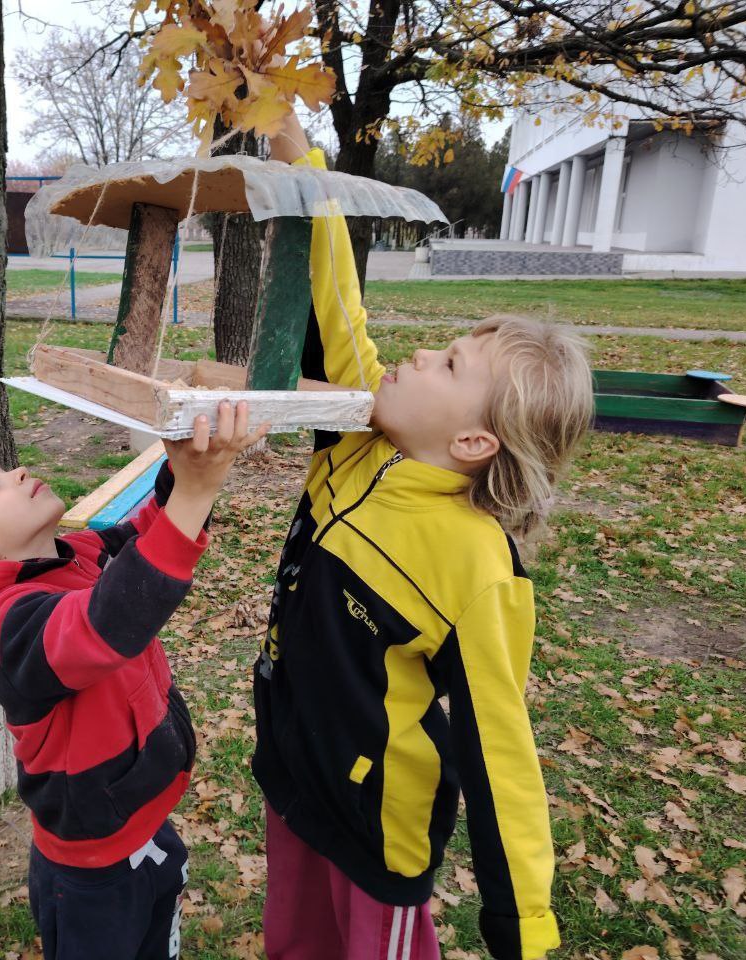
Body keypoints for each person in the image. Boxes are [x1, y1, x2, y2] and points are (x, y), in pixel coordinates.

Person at [253, 111, 594, 960]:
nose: (413, 360)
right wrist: (307, 170)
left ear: (476, 444)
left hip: (378, 835)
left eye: (447, 366)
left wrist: (525, 926)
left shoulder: (477, 567)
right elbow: (340, 312)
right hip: (294, 781)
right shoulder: (362, 434)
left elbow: (501, 753)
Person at [0, 402, 267, 960]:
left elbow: (149, 534)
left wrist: (182, 469)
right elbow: (105, 623)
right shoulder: (2, 627)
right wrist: (196, 491)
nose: (18, 472)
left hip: (144, 827)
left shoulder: (77, 556)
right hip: (91, 871)